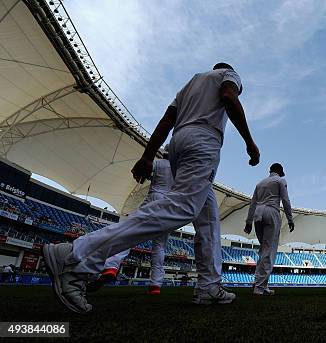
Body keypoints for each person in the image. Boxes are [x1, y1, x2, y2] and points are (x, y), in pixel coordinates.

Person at [42, 62, 260, 313]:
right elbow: (229, 96)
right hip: (204, 141)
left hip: (178, 142)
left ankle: (209, 286)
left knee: (208, 218)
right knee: (183, 207)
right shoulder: (228, 75)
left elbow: (167, 119)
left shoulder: (191, 83)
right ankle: (75, 256)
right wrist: (249, 142)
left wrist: (147, 156)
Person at [88, 150, 174, 295]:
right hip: (168, 204)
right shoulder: (178, 169)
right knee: (159, 246)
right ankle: (155, 286)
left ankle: (111, 265)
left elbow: (140, 175)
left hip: (154, 197)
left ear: (164, 153)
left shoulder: (158, 163)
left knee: (129, 233)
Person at [244, 163, 294, 296]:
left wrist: (248, 222)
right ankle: (259, 287)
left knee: (263, 249)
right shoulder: (280, 180)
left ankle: (261, 284)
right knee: (269, 250)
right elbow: (285, 200)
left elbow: (253, 203)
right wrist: (290, 219)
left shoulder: (260, 183)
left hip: (258, 214)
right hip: (271, 212)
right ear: (279, 171)